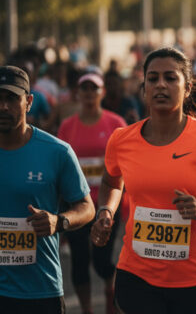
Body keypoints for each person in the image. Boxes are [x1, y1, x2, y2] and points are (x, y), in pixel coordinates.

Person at [90, 48, 196, 313]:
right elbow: (111, 182)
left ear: (187, 88)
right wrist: (106, 211)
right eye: (152, 78)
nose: (161, 85)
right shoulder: (121, 139)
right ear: (144, 88)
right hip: (137, 276)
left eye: (170, 78)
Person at [0, 65, 95, 313]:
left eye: (11, 98)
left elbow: (86, 207)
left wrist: (58, 221)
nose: (3, 107)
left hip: (39, 290)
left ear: (29, 101)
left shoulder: (57, 152)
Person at [56, 73, 127, 314]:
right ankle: (87, 309)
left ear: (102, 92)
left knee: (102, 260)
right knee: (79, 262)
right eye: (84, 88)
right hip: (76, 204)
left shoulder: (115, 123)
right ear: (77, 93)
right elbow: (60, 164)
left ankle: (111, 290)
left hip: (106, 204)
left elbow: (127, 163)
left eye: (93, 88)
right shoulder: (68, 126)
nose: (88, 93)